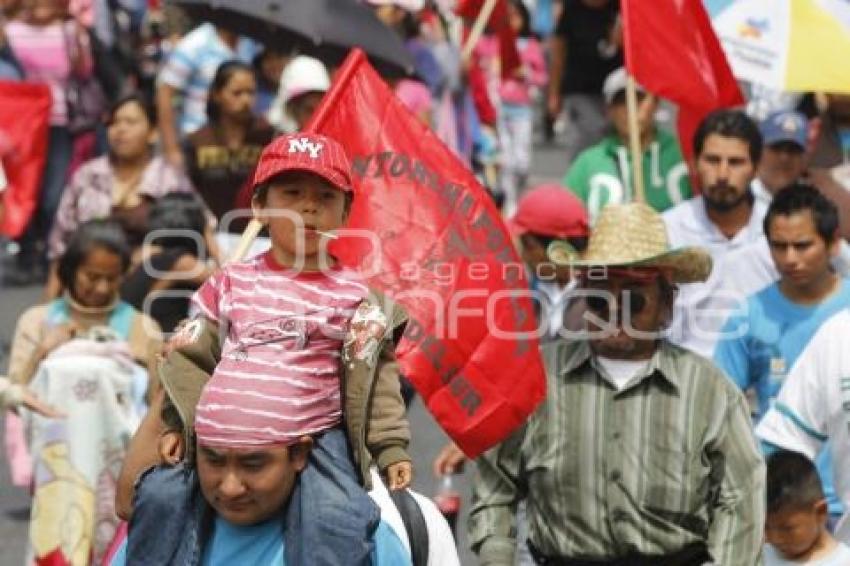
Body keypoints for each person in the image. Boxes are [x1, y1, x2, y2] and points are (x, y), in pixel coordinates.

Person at [121, 133, 413, 566]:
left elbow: (381, 380)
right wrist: (174, 428)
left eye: (324, 197)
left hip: (315, 441)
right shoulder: (229, 282)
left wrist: (390, 448)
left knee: (337, 517)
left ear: (345, 212)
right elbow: (192, 359)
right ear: (260, 206)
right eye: (292, 193)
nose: (308, 207)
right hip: (216, 441)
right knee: (159, 497)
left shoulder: (358, 298)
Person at [470, 202, 765, 565]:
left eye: (634, 299)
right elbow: (494, 489)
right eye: (599, 298)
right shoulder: (534, 379)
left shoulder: (710, 392)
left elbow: (741, 500)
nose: (614, 312)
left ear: (666, 303)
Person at [6, 220, 162, 565]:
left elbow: (154, 402)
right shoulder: (37, 321)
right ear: (70, 270)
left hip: (116, 465)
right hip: (58, 463)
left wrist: (144, 361)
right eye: (92, 276)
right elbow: (16, 390)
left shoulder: (141, 327)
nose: (102, 287)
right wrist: (42, 351)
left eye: (112, 277)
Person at [714, 183, 849, 522]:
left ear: (833, 244)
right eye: (779, 246)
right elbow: (719, 409)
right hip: (782, 511)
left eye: (802, 246)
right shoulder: (746, 316)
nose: (789, 258)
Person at [45, 93, 195, 299]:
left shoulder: (170, 179)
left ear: (152, 132)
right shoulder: (88, 175)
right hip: (89, 283)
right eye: (114, 122)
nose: (120, 130)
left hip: (151, 285)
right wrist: (48, 305)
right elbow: (61, 244)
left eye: (130, 122)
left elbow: (199, 228)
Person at [662, 109, 766, 357]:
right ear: (694, 163)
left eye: (735, 162)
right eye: (712, 160)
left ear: (755, 168)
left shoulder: (780, 235)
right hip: (685, 376)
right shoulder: (666, 231)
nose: (722, 174)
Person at [4, 0, 94, 283]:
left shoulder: (68, 31)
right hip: (22, 127)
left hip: (58, 123)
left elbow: (84, 73)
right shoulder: (11, 31)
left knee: (53, 194)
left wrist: (80, 38)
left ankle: (46, 250)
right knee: (24, 190)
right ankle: (27, 251)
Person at [564, 67, 691, 223]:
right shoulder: (588, 163)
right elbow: (566, 221)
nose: (630, 109)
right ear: (608, 110)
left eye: (638, 99)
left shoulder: (684, 155)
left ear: (656, 103)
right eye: (620, 101)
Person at [184, 60, 275, 234]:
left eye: (251, 92)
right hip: (209, 235)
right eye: (237, 93)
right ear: (217, 94)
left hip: (259, 235)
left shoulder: (270, 137)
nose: (246, 100)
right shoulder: (197, 140)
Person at [156, 23, 252, 169]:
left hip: (237, 143)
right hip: (196, 140)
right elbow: (165, 93)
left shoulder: (250, 42)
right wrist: (171, 148)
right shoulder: (195, 44)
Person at [120, 192, 215, 333]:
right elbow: (230, 281)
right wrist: (210, 238)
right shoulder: (182, 262)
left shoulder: (141, 252)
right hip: (155, 340)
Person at [547, 0, 621, 164]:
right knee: (589, 137)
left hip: (615, 95)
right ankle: (581, 181)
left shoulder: (621, 9)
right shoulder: (572, 10)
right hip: (580, 90)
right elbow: (558, 53)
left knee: (614, 142)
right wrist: (553, 93)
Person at [497, 0, 547, 214]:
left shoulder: (531, 46)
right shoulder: (497, 43)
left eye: (516, 16)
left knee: (522, 161)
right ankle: (509, 203)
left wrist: (525, 74)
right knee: (505, 160)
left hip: (522, 110)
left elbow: (542, 77)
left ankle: (519, 192)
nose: (512, 21)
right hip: (501, 108)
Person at [764, 451, 850, 565]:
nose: (774, 538)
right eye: (765, 527)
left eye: (787, 528)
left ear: (820, 512)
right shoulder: (757, 555)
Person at [267, 55, 330, 133]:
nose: (317, 117)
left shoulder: (336, 144)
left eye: (321, 110)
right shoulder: (271, 142)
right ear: (294, 111)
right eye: (309, 110)